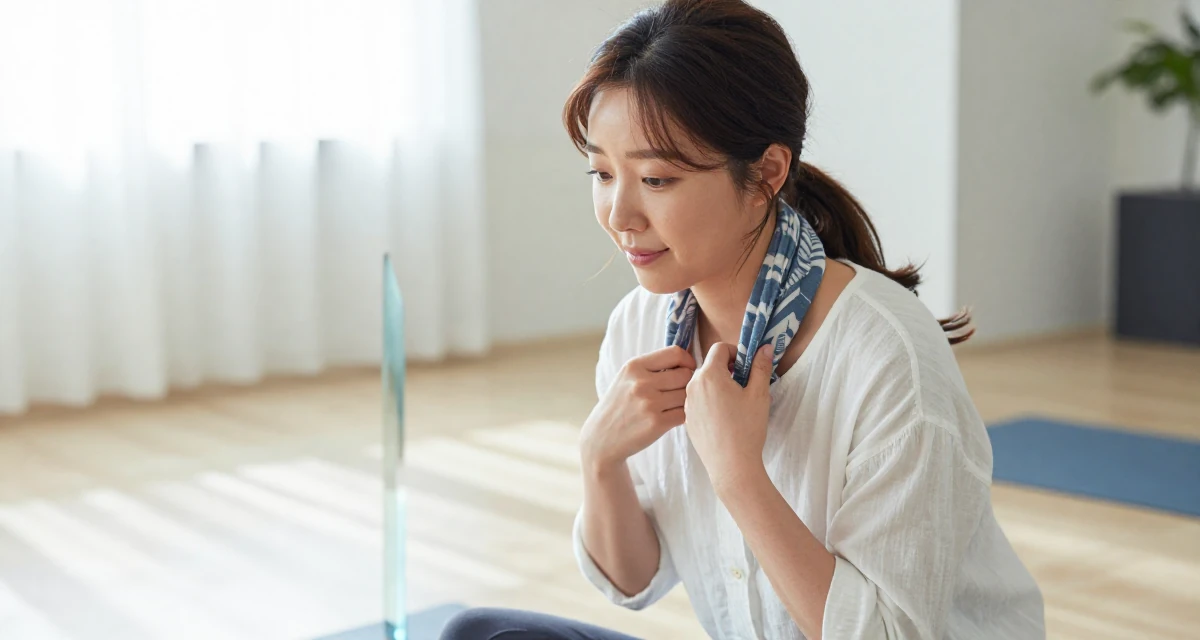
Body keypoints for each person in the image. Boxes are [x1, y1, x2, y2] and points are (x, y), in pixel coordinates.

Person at [440, 0, 1044, 638]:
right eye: (601, 173)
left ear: (766, 173)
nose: (619, 214)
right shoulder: (641, 327)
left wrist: (738, 473)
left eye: (657, 179)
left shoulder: (888, 356)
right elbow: (634, 582)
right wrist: (599, 456)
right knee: (479, 633)